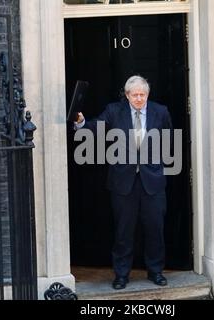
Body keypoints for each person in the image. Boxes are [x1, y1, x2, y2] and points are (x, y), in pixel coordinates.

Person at [74, 75, 173, 290]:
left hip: (153, 182)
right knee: (123, 231)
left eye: (143, 94)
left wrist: (160, 166)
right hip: (123, 182)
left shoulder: (160, 111)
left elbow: (169, 139)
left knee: (155, 229)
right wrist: (81, 122)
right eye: (135, 95)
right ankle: (121, 275)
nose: (139, 98)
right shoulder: (114, 110)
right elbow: (95, 128)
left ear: (148, 94)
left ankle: (156, 272)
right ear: (127, 95)